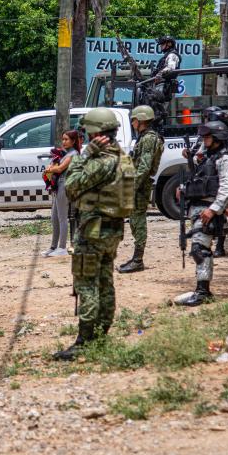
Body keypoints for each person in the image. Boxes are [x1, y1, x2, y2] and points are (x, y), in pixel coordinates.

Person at [54, 108, 135, 360]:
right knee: (104, 281)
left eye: (87, 133)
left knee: (87, 282)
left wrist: (84, 155)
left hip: (93, 230)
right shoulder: (123, 158)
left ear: (95, 134)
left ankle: (85, 340)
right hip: (112, 229)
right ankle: (101, 335)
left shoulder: (101, 161)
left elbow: (71, 185)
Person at [175, 121, 228, 307]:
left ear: (217, 138)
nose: (204, 140)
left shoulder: (225, 160)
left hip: (208, 211)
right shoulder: (205, 158)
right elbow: (200, 181)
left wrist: (214, 209)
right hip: (197, 210)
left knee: (200, 249)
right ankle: (202, 290)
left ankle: (203, 291)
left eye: (208, 137)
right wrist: (183, 188)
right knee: (198, 248)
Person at [118, 105, 164, 273]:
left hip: (140, 186)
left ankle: (138, 260)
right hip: (138, 184)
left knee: (138, 221)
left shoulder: (149, 139)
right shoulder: (144, 138)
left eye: (134, 120)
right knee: (135, 220)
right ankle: (136, 258)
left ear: (141, 120)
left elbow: (144, 167)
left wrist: (133, 186)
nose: (132, 123)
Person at [43, 130, 82, 257]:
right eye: (63, 139)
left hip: (66, 185)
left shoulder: (73, 154)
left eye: (66, 139)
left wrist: (50, 168)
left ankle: (62, 247)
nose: (64, 142)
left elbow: (60, 168)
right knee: (54, 218)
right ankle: (53, 246)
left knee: (62, 217)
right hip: (58, 185)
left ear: (73, 141)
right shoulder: (65, 154)